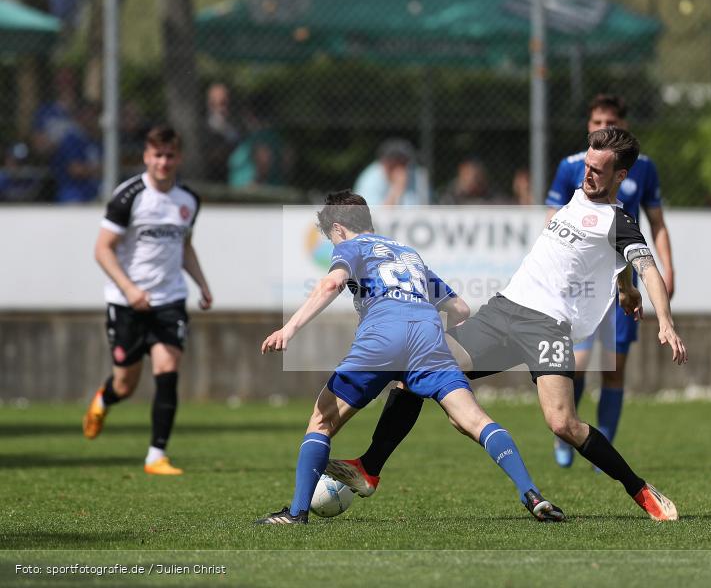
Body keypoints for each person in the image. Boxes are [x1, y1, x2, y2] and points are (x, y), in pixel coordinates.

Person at [325, 128, 687, 522]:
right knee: (416, 370)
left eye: (599, 170)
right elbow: (610, 260)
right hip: (504, 311)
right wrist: (624, 287)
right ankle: (370, 468)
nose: (588, 174)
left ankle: (640, 489)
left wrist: (663, 319)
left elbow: (645, 264)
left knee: (563, 423)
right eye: (587, 164)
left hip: (547, 327)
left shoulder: (618, 219)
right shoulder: (579, 195)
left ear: (620, 176)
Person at [255, 191, 564, 525]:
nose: (333, 245)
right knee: (475, 421)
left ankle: (297, 513)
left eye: (331, 238)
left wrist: (289, 328)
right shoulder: (408, 254)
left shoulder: (351, 247)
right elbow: (459, 308)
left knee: (321, 421)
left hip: (382, 336)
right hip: (427, 337)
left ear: (339, 229)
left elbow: (332, 285)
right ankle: (532, 493)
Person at [545, 93, 676, 468]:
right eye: (597, 123)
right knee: (580, 363)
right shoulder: (573, 166)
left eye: (610, 122)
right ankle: (568, 434)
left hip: (622, 280)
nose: (603, 128)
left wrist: (668, 269)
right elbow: (553, 219)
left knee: (614, 368)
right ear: (588, 126)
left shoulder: (642, 168)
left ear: (623, 125)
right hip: (582, 282)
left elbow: (658, 223)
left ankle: (603, 447)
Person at [82, 126, 213, 476]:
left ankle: (156, 455)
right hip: (127, 304)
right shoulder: (128, 196)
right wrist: (129, 290)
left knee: (168, 372)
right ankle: (104, 399)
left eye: (170, 155)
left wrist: (201, 284)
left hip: (170, 300)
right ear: (146, 156)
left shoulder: (188, 200)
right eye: (157, 155)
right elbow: (102, 249)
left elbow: (184, 246)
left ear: (179, 157)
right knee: (126, 384)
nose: (164, 162)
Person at [51, 100, 102, 203]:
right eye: (87, 115)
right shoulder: (72, 139)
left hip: (95, 188)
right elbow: (75, 169)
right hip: (73, 191)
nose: (91, 119)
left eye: (93, 115)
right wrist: (101, 169)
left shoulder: (98, 140)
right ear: (79, 117)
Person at [353, 139, 429, 206]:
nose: (398, 169)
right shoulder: (370, 179)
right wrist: (396, 188)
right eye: (393, 164)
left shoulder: (417, 175)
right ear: (383, 162)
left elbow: (426, 208)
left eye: (403, 163)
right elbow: (374, 218)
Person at [205, 83, 241, 184]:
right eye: (216, 103)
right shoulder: (204, 126)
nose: (222, 108)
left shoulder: (236, 123)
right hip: (212, 174)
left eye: (224, 102)